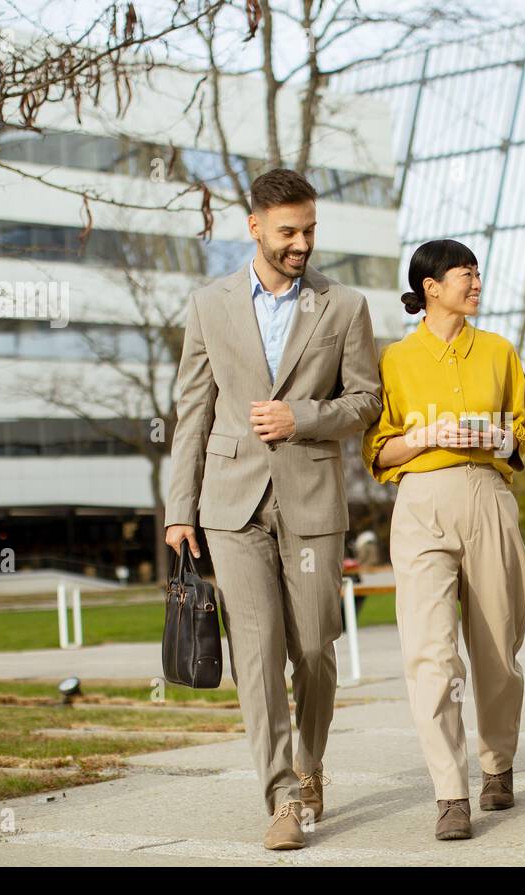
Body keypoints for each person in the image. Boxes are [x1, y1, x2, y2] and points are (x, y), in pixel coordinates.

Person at [163, 168, 383, 851]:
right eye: (288, 231)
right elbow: (193, 409)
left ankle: (311, 766)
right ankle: (283, 797)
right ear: (253, 225)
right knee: (257, 655)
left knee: (314, 649)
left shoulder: (343, 306)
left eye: (309, 229)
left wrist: (302, 417)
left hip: (312, 500)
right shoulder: (209, 304)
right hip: (231, 508)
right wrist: (180, 508)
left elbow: (367, 402)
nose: (301, 243)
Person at [362, 239, 525, 841]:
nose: (476, 281)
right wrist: (427, 434)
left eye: (478, 273)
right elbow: (378, 451)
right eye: (466, 273)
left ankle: (498, 764)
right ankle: (449, 792)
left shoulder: (499, 351)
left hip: (488, 495)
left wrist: (497, 439)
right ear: (431, 287)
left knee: (497, 649)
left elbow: (523, 439)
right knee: (431, 654)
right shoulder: (393, 361)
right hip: (420, 502)